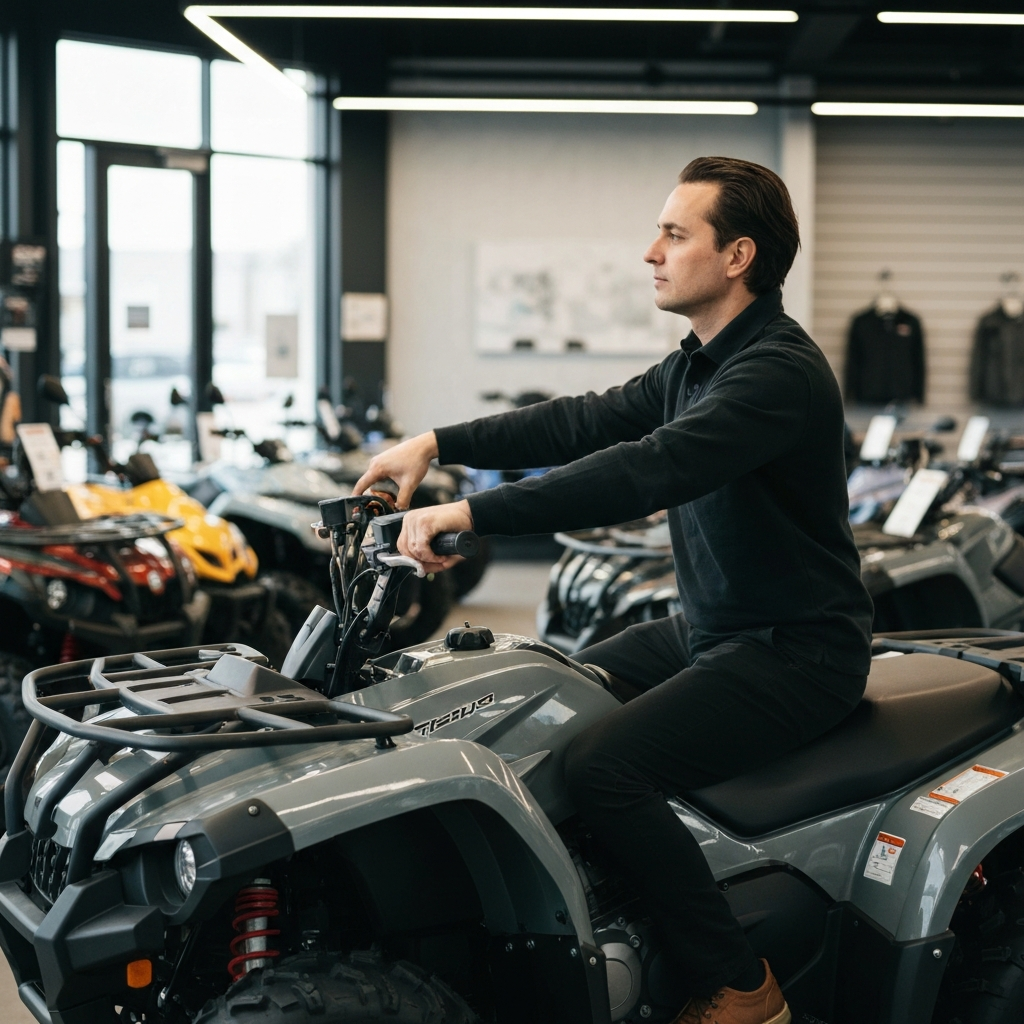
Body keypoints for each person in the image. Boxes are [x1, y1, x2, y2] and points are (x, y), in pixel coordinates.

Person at [354, 156, 873, 1024]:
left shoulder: (776, 373)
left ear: (737, 255)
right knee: (548, 697)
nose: (651, 252)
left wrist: (469, 517)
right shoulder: (696, 366)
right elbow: (580, 420)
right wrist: (433, 441)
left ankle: (741, 985)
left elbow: (644, 471)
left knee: (606, 768)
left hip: (797, 651)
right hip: (714, 628)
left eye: (675, 234)